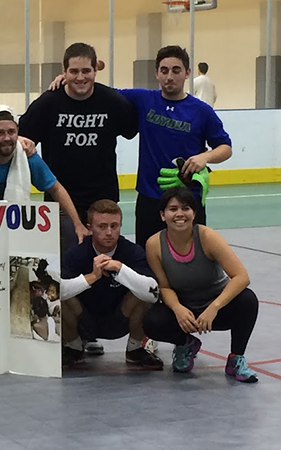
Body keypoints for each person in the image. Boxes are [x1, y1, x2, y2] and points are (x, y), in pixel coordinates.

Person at [19, 42, 137, 250]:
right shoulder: (48, 104)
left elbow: (131, 129)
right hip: (60, 201)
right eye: (74, 71)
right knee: (66, 260)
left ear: (95, 71)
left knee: (104, 258)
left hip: (102, 197)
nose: (80, 77)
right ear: (63, 72)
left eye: (86, 71)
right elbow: (20, 140)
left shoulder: (112, 101)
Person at [119, 46, 232, 248]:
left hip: (188, 200)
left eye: (176, 70)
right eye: (164, 71)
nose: (169, 76)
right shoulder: (143, 100)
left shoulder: (201, 111)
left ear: (187, 73)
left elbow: (225, 147)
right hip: (150, 198)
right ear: (156, 73)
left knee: (192, 256)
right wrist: (65, 80)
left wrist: (204, 157)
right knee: (147, 258)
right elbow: (101, 94)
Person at [143, 187, 259, 382]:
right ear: (163, 215)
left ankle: (236, 358)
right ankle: (185, 344)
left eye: (185, 208)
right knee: (152, 322)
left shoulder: (207, 237)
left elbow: (241, 276)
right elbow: (164, 287)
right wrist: (177, 308)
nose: (179, 214)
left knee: (248, 300)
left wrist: (214, 307)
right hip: (185, 312)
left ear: (194, 213)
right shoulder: (154, 244)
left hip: (216, 309)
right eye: (173, 209)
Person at [0, 104, 87, 243]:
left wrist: (78, 225)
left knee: (69, 231)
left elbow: (55, 189)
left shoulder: (26, 156)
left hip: (18, 228)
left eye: (11, 132)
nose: (7, 138)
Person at [61, 200, 163, 369]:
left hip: (120, 319)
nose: (109, 232)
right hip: (84, 321)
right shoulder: (76, 253)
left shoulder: (132, 251)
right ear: (90, 227)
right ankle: (74, 347)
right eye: (102, 226)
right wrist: (92, 277)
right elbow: (55, 292)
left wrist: (120, 269)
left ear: (121, 226)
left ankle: (135, 349)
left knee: (143, 293)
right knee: (61, 297)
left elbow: (153, 293)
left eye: (114, 226)